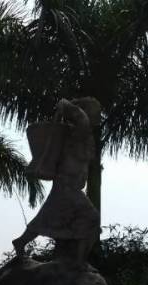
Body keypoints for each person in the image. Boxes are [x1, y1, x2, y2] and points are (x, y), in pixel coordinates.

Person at [13, 97, 102, 263]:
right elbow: (79, 116)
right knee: (91, 218)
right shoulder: (79, 131)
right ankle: (79, 262)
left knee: (46, 218)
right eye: (96, 112)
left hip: (68, 187)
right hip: (67, 187)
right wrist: (68, 105)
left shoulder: (79, 134)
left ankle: (21, 242)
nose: (98, 116)